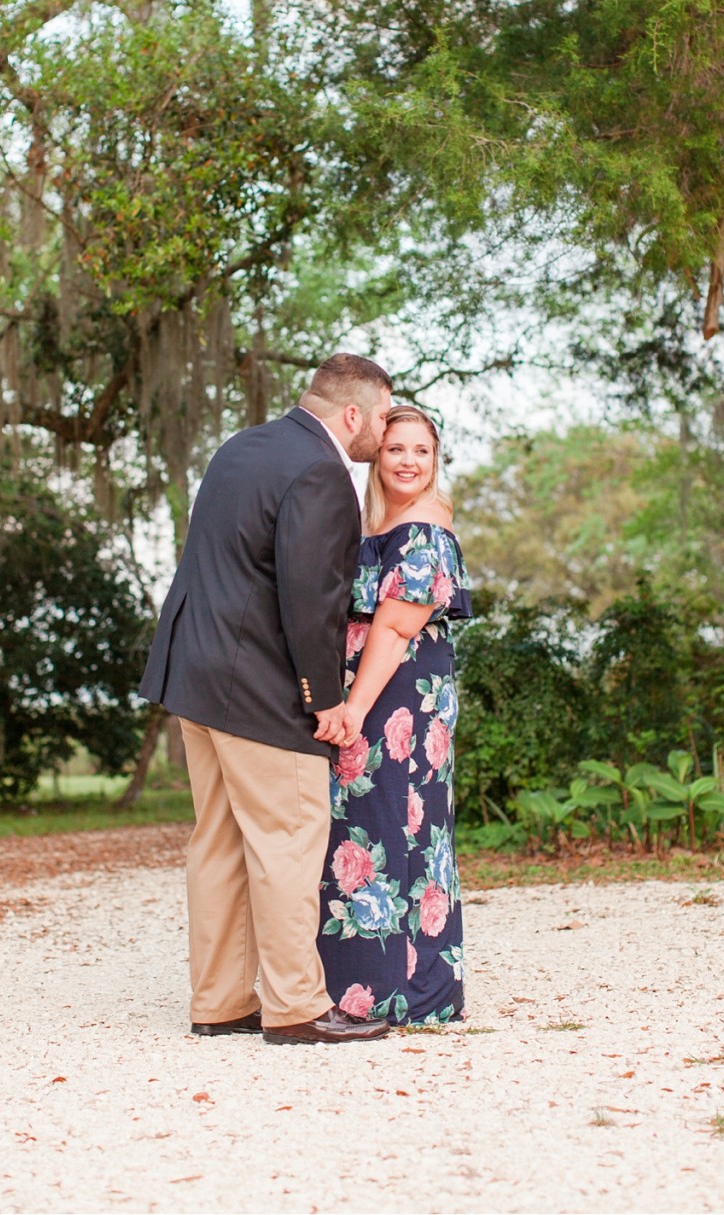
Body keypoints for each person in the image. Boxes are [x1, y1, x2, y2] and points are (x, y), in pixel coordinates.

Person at [137, 354, 394, 1044]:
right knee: (287, 840)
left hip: (194, 675)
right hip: (258, 688)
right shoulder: (321, 471)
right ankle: (297, 1007)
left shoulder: (242, 446)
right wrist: (323, 699)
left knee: (217, 842)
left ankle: (219, 1001)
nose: (383, 430)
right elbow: (309, 600)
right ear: (351, 415)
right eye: (381, 416)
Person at [314, 404, 473, 1023]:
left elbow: (398, 624)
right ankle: (357, 988)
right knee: (361, 828)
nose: (408, 461)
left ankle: (402, 993)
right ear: (375, 458)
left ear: (435, 463)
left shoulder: (426, 528)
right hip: (367, 691)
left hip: (397, 694)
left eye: (421, 451)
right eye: (394, 449)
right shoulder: (376, 525)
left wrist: (355, 707)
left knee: (396, 826)